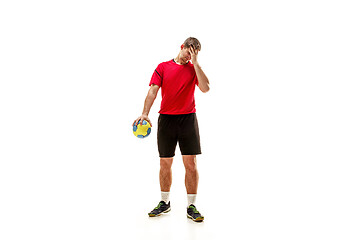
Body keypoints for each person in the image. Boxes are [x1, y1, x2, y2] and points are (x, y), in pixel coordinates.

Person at [133, 37, 210, 222]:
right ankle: (164, 203)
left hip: (188, 120)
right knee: (165, 163)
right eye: (188, 52)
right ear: (182, 47)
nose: (189, 57)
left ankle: (191, 205)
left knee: (190, 164)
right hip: (166, 119)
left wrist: (196, 63)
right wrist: (144, 113)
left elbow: (206, 88)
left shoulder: (193, 69)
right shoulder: (163, 67)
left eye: (193, 54)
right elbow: (153, 91)